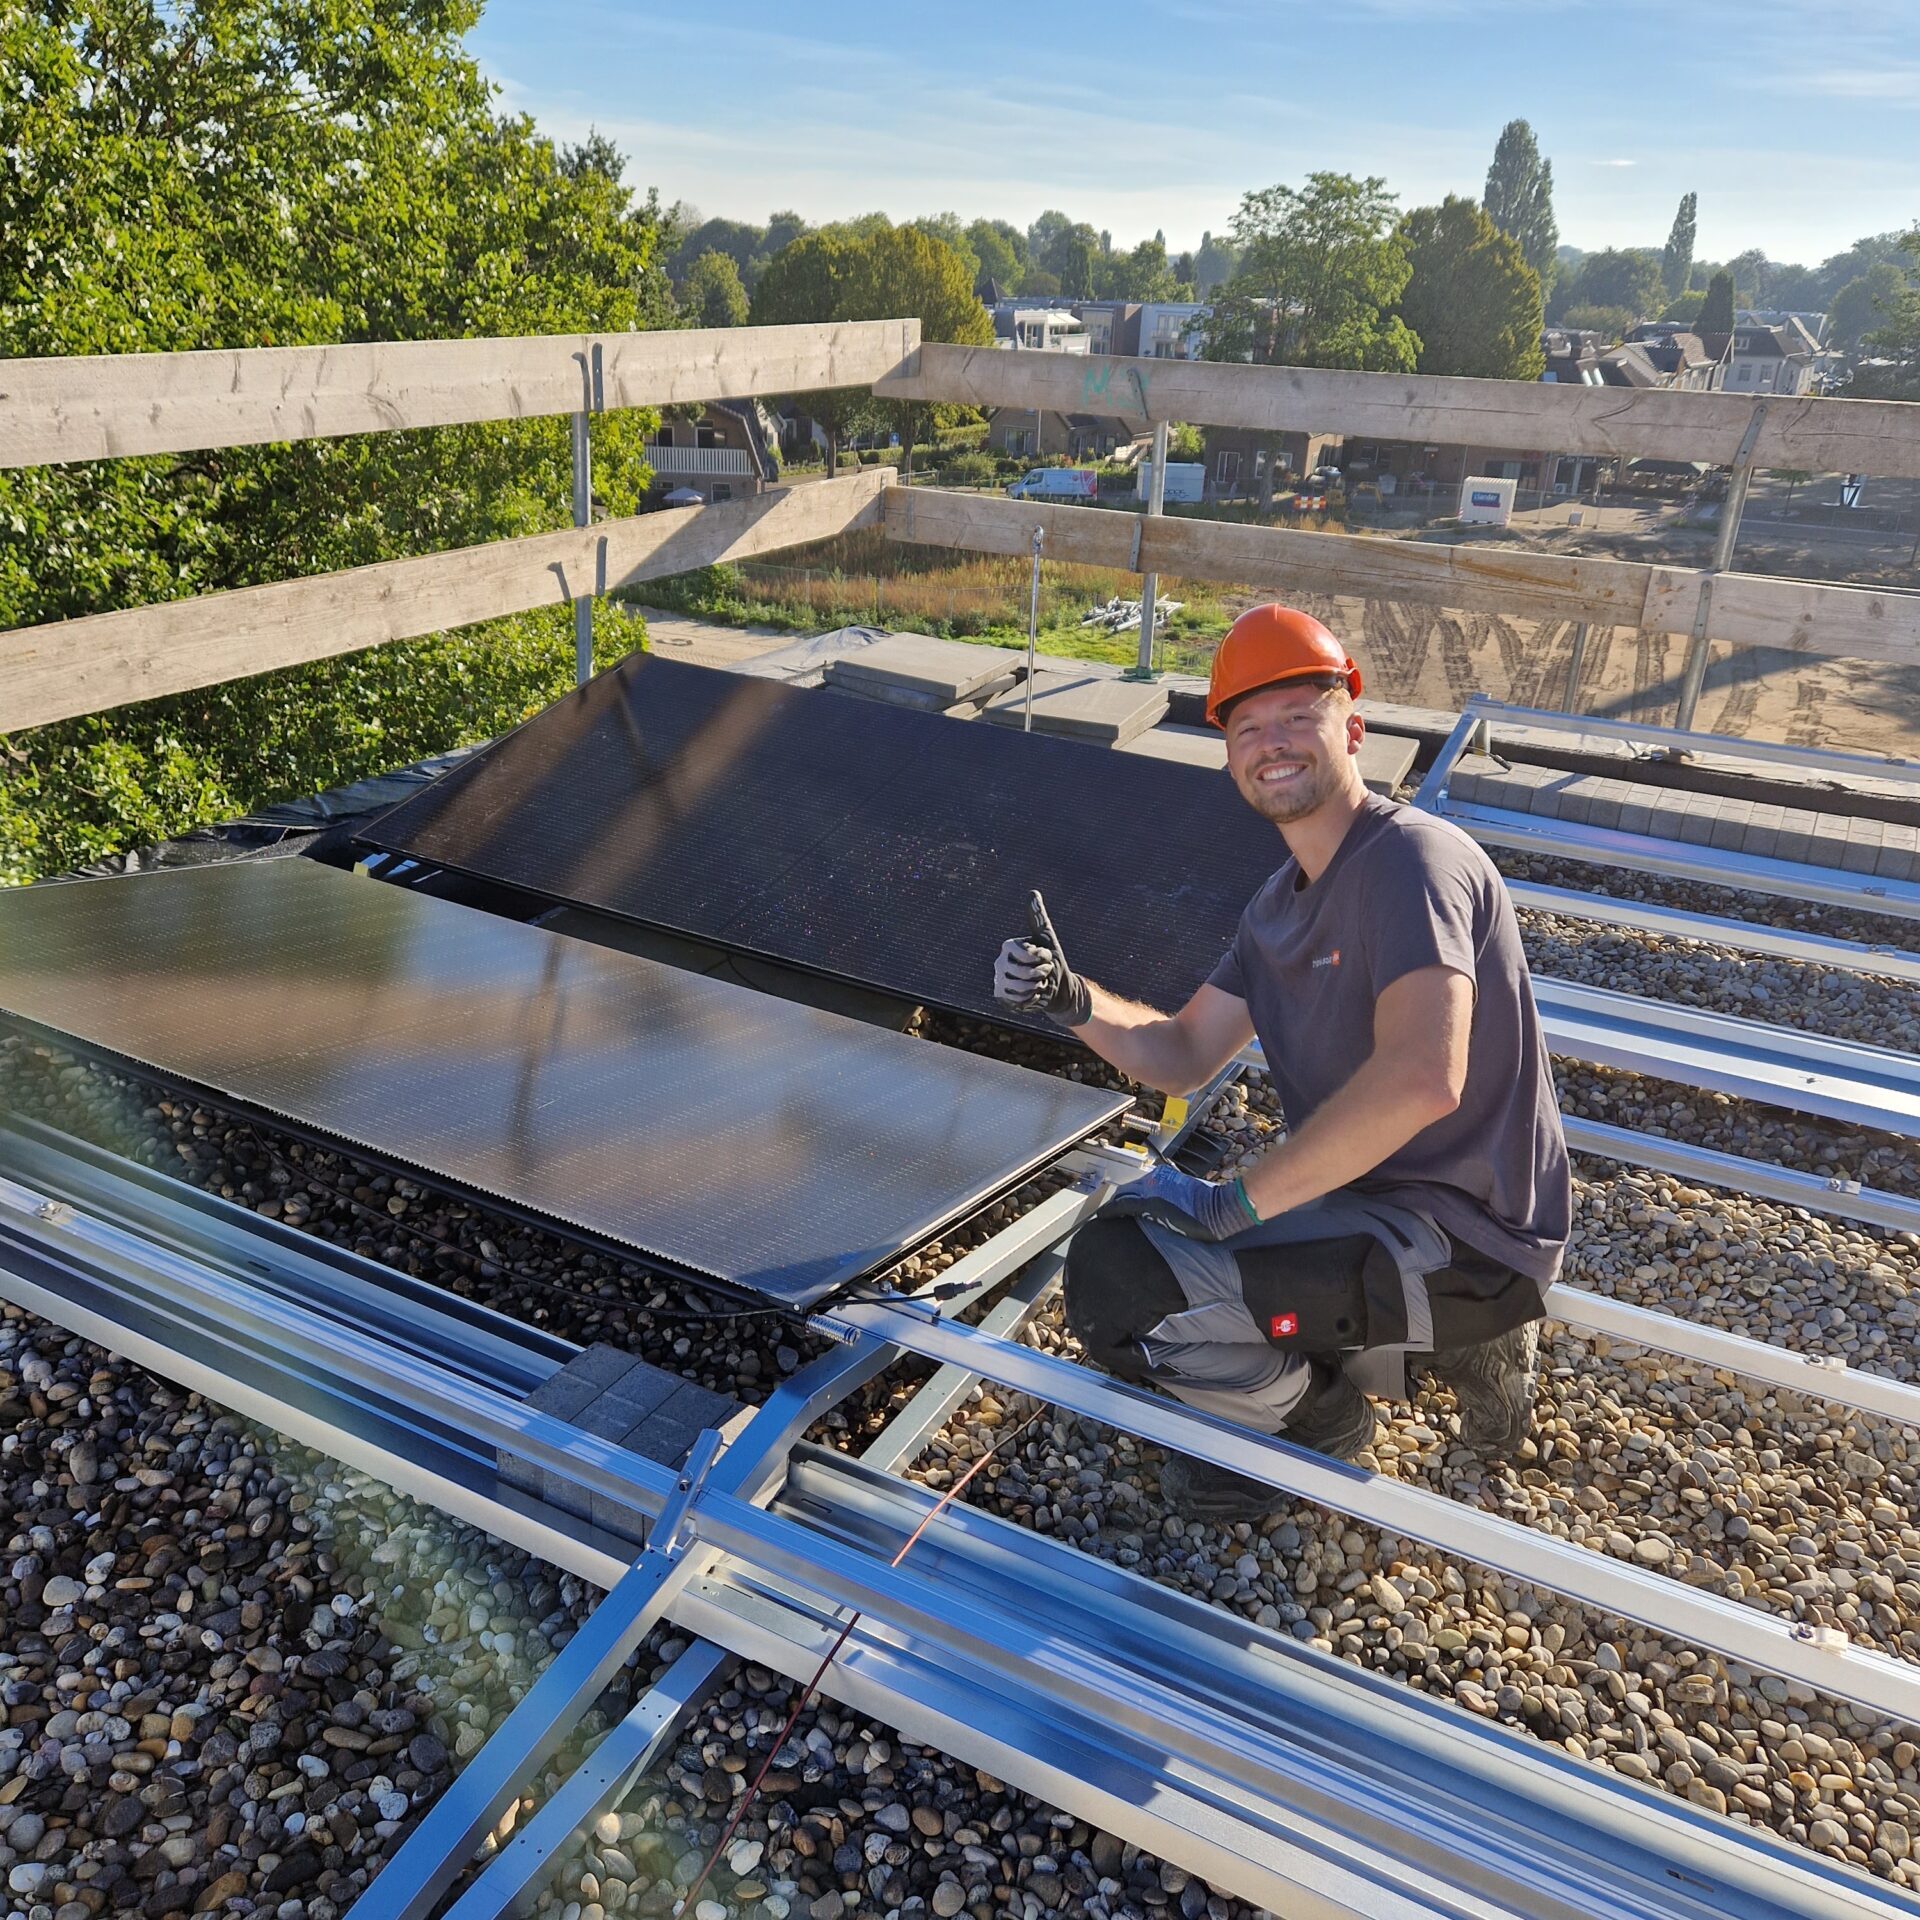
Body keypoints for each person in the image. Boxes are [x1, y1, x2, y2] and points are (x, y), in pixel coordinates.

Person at [992, 604, 1571, 1518]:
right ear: (1229, 757)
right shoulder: (1275, 908)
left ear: (1352, 727)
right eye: (1248, 728)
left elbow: (1426, 1074)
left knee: (1121, 1287)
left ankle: (1318, 1423)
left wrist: (1242, 1202)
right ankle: (1442, 1350)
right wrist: (1071, 999)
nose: (1273, 744)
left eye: (1297, 717)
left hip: (1467, 1237)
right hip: (1373, 1209)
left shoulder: (1410, 863)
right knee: (1140, 1220)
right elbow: (1182, 1055)